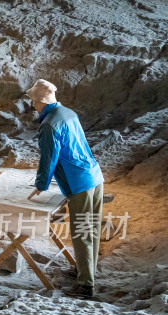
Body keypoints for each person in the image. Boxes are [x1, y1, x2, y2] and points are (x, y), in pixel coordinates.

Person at [27, 79, 104, 299]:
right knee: (91, 228)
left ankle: (86, 285)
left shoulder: (49, 124)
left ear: (40, 101)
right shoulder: (68, 112)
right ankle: (86, 269)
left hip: (80, 183)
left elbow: (48, 158)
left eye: (34, 100)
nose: (33, 105)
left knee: (81, 232)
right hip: (94, 175)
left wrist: (41, 185)